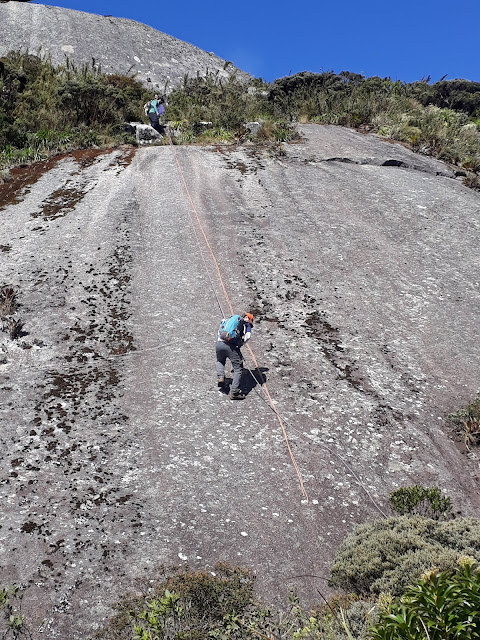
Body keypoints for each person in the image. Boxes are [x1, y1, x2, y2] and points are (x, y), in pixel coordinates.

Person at [216, 313, 253, 400]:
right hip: (231, 346)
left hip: (219, 343)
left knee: (220, 361)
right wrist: (240, 344)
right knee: (238, 369)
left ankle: (221, 377)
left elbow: (220, 330)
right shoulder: (245, 324)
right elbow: (248, 336)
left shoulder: (229, 319)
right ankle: (234, 392)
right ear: (248, 318)